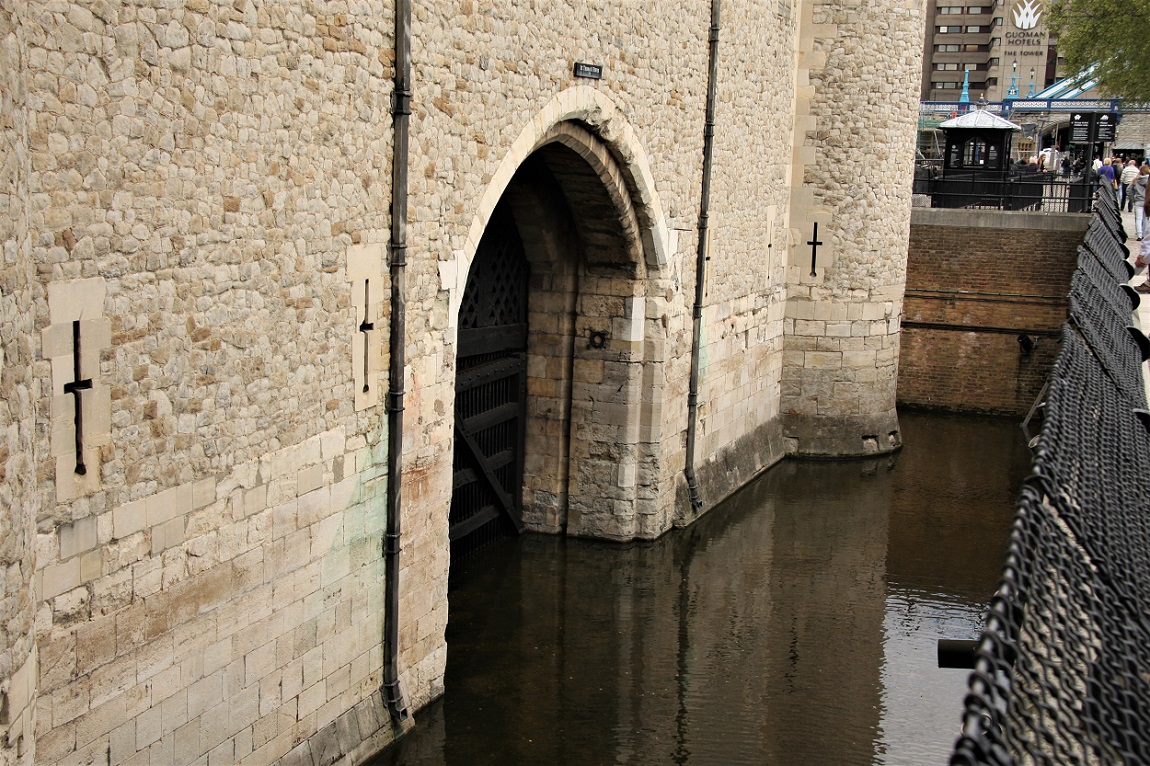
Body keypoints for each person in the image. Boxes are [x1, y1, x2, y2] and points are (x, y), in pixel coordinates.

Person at [1134, 164, 1150, 241]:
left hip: (1138, 200)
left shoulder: (1137, 179)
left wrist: (1132, 198)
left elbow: (1129, 189)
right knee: (1146, 218)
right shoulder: (1148, 180)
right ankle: (1144, 234)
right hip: (1146, 200)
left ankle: (1139, 235)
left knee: (1138, 218)